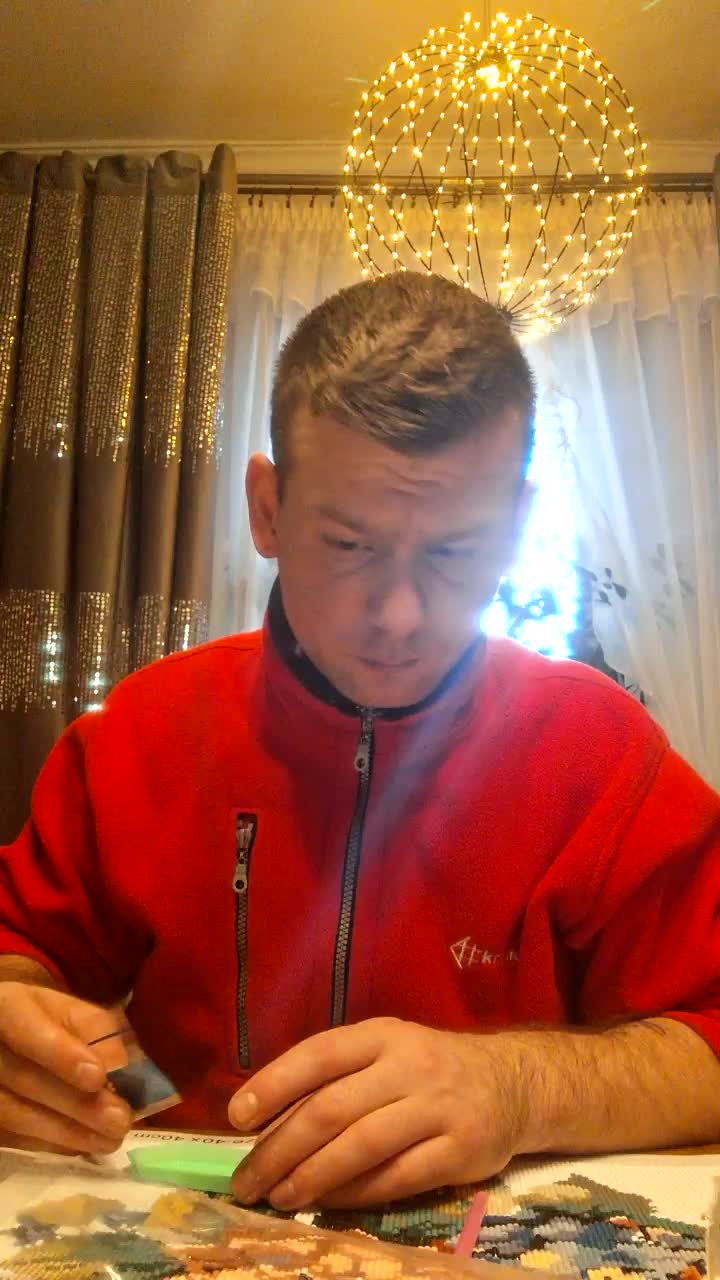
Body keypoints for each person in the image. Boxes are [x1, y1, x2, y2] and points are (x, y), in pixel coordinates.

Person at [0, 272, 719, 1212]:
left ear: (517, 524)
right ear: (268, 509)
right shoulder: (140, 732)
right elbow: (25, 955)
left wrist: (516, 1087)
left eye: (454, 551)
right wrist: (25, 1030)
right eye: (348, 545)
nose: (399, 615)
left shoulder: (601, 754)